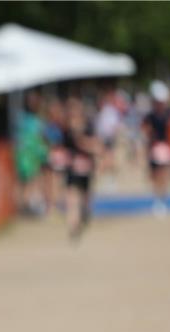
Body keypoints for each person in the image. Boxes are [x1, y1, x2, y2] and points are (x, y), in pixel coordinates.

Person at [62, 97, 100, 240]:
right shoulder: (66, 129)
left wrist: (84, 143)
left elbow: (95, 145)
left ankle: (84, 214)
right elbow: (63, 148)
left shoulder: (88, 126)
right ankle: (73, 225)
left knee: (85, 198)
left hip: (86, 169)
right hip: (72, 169)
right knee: (71, 198)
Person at [143, 81, 170, 218]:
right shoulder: (151, 116)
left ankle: (162, 200)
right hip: (155, 147)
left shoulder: (169, 114)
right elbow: (145, 131)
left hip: (165, 147)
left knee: (164, 175)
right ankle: (157, 200)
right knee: (156, 176)